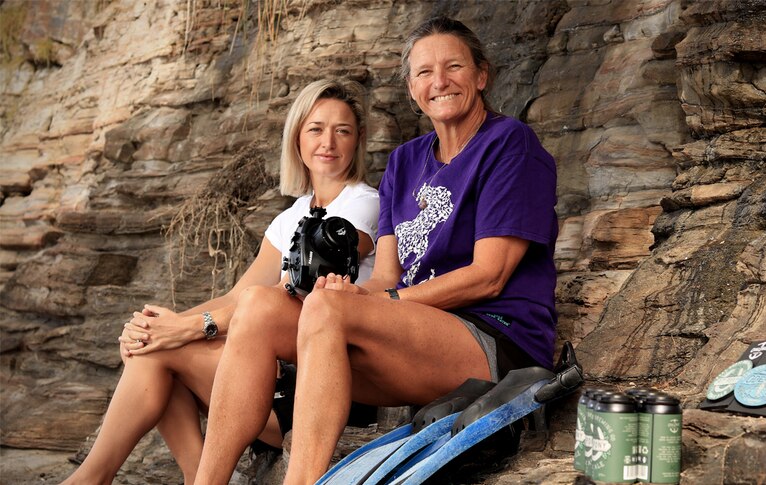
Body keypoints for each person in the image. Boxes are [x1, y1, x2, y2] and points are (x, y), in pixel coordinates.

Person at [194, 16, 559, 485]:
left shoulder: (508, 144)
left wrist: (370, 304)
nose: (440, 81)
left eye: (454, 67)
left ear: (481, 75)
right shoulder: (406, 161)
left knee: (330, 307)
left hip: (496, 342)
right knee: (261, 304)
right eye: (424, 72)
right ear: (411, 87)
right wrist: (352, 293)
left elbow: (488, 275)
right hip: (412, 338)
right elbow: (387, 276)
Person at [60, 78, 380, 485]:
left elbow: (287, 292)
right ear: (297, 137)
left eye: (343, 131)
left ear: (358, 140)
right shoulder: (291, 216)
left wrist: (178, 330)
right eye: (315, 129)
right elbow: (237, 296)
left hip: (318, 392)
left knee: (157, 353)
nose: (328, 142)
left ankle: (93, 479)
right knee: (152, 345)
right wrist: (154, 327)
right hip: (268, 383)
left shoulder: (363, 204)